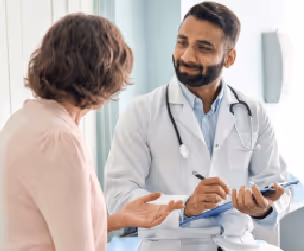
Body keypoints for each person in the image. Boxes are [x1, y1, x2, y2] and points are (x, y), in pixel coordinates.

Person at [104, 1, 290, 250]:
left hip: (237, 244)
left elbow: (278, 186)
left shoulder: (252, 112)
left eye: (203, 48)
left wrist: (263, 209)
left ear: (229, 57)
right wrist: (186, 205)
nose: (187, 56)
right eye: (182, 43)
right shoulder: (141, 113)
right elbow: (118, 198)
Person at [0, 14, 183, 251]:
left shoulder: (23, 120)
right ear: (103, 77)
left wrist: (122, 219)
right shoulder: (60, 140)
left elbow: (53, 228)